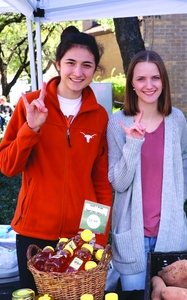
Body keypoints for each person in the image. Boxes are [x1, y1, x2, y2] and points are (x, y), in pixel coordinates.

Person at [0, 28, 112, 291]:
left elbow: (100, 181)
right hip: (33, 232)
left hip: (80, 237)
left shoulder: (99, 116)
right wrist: (32, 129)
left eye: (87, 65)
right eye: (71, 62)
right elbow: (8, 166)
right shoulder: (29, 104)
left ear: (95, 70)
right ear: (58, 64)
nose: (78, 72)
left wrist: (96, 235)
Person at [107, 50, 187, 291]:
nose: (149, 85)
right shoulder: (118, 122)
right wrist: (132, 144)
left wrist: (178, 201)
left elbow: (185, 158)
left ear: (163, 81)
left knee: (171, 295)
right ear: (131, 83)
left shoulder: (176, 120)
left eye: (155, 78)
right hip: (133, 237)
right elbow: (119, 183)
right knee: (135, 295)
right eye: (141, 78)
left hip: (170, 232)